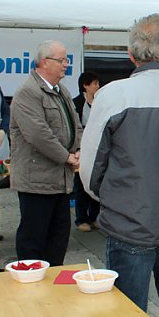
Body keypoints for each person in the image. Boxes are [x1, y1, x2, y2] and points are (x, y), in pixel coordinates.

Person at [79, 14, 159, 317]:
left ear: (131, 54)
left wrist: (108, 198)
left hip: (129, 222)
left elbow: (90, 166)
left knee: (128, 316)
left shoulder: (112, 95)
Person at [9, 40, 82, 266]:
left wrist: (78, 150)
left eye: (66, 60)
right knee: (34, 240)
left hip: (60, 182)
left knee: (58, 239)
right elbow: (39, 134)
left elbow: (76, 124)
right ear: (44, 62)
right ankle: (31, 290)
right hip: (36, 183)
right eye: (61, 60)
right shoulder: (27, 93)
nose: (66, 65)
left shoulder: (62, 92)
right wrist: (67, 157)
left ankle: (52, 288)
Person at [72, 71, 101, 231]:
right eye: (95, 83)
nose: (97, 86)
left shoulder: (100, 102)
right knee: (80, 184)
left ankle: (95, 217)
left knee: (96, 182)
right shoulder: (76, 103)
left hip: (97, 147)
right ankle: (81, 218)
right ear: (85, 85)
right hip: (81, 148)